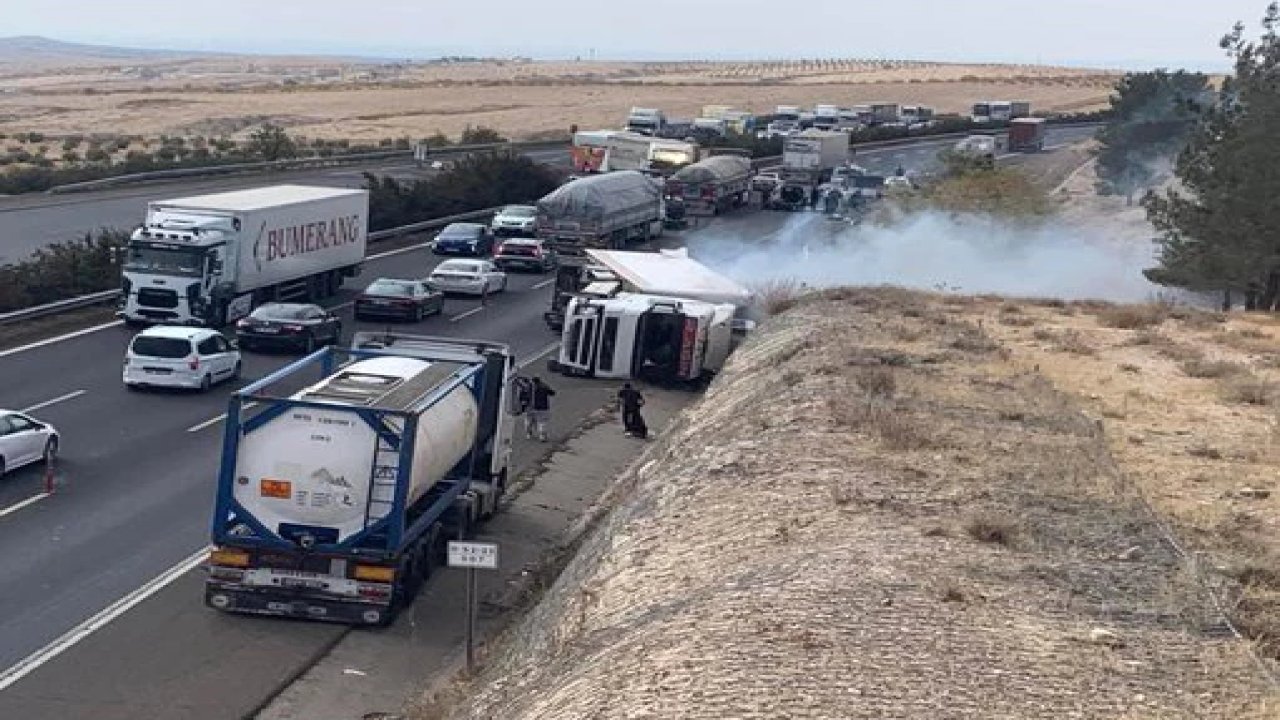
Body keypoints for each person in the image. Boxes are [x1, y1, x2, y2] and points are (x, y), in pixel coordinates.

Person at [526, 376, 555, 442]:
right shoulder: (544, 386)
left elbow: (524, 395)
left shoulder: (529, 387)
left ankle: (528, 434)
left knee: (529, 421)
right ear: (539, 380)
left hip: (531, 407)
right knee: (542, 423)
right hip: (543, 408)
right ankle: (542, 436)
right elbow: (552, 393)